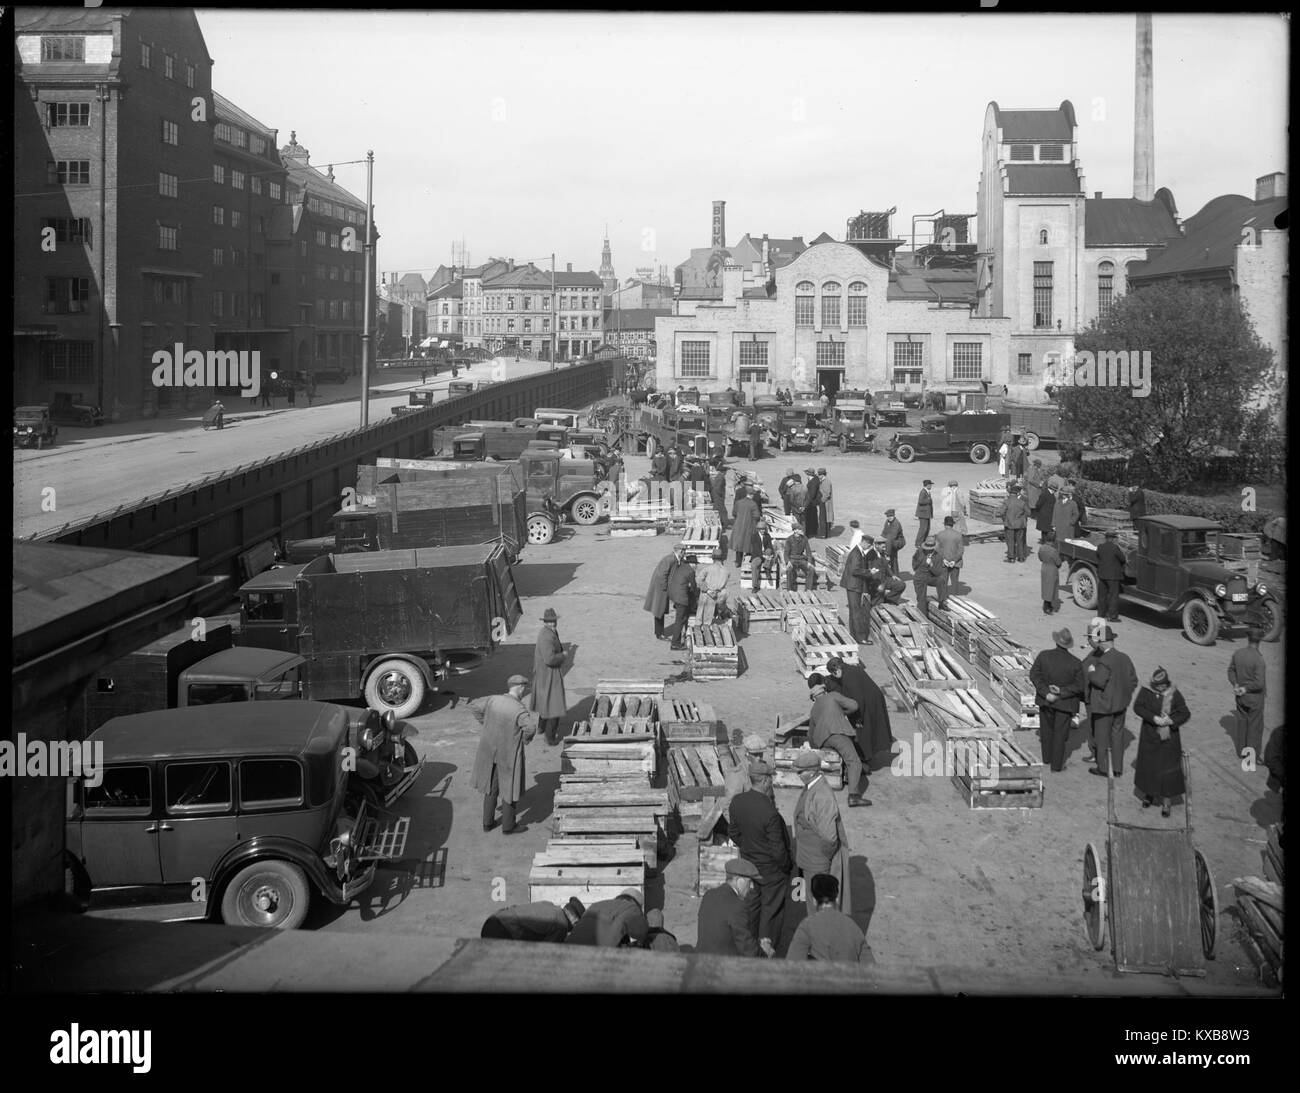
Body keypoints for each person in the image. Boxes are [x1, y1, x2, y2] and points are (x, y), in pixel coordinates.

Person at [728, 761, 793, 957]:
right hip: (771, 871)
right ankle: (767, 951)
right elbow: (778, 850)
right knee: (771, 911)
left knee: (752, 907)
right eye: (770, 779)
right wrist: (786, 867)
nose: (771, 782)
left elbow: (733, 833)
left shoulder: (737, 802)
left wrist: (748, 848)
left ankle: (749, 946)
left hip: (749, 866)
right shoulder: (770, 812)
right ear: (764, 781)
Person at [471, 674, 537, 834]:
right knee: (509, 788)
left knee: (490, 787)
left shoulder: (493, 700)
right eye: (524, 688)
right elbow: (530, 728)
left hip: (489, 751)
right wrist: (524, 740)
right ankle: (508, 826)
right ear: (520, 688)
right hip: (508, 754)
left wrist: (486, 724)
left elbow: (474, 707)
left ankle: (487, 823)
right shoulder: (518, 709)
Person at [791, 750, 852, 916]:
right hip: (810, 858)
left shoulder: (823, 795)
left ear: (812, 772)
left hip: (817, 861)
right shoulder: (811, 787)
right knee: (812, 901)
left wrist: (823, 858)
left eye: (801, 772)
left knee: (817, 906)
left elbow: (830, 838)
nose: (798, 775)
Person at [793, 673, 868, 807]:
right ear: (823, 687)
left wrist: (816, 746)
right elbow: (854, 705)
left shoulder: (814, 709)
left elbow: (810, 734)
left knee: (843, 754)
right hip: (837, 733)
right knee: (854, 761)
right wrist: (841, 713)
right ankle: (854, 796)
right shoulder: (833, 696)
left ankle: (851, 774)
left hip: (822, 741)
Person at [824, 655, 894, 777]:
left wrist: (858, 718)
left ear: (837, 670)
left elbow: (858, 700)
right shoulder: (852, 669)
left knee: (863, 731)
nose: (835, 677)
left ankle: (865, 757)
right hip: (873, 698)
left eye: (834, 674)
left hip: (868, 702)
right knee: (871, 727)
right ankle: (870, 752)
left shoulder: (848, 679)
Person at [1084, 624, 1140, 777]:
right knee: (1117, 737)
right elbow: (1133, 681)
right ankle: (1117, 768)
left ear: (1103, 642)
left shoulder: (1105, 660)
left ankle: (1103, 768)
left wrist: (1091, 672)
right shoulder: (1124, 658)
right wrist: (1124, 696)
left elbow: (1099, 681)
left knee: (1101, 738)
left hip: (1104, 707)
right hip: (1120, 706)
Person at [1133, 667, 1189, 817]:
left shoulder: (1174, 693)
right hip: (1150, 736)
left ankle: (1166, 802)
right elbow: (1138, 707)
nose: (1161, 688)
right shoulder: (1146, 691)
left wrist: (1171, 720)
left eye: (1163, 686)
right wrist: (1153, 718)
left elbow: (1185, 713)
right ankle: (1149, 794)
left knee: (1167, 772)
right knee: (1150, 768)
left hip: (1169, 740)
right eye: (1158, 686)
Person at [1030, 628, 1086, 773]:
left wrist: (1046, 693)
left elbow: (1034, 675)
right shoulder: (1076, 663)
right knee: (1060, 735)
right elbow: (1079, 686)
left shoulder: (1044, 656)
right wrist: (1061, 691)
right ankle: (1056, 766)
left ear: (1056, 642)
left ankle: (1046, 758)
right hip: (1065, 704)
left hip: (1045, 701)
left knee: (1046, 731)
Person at [785, 873, 873, 964]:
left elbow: (792, 964)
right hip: (848, 972)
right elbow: (871, 966)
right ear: (837, 899)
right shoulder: (853, 926)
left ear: (814, 900)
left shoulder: (807, 926)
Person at [696, 857, 762, 957]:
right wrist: (764, 950)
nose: (752, 887)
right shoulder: (738, 906)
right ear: (739, 880)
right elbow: (748, 950)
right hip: (723, 963)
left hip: (701, 958)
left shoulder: (709, 895)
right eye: (749, 882)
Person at [1228, 628, 1267, 760]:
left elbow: (1231, 671)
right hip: (1255, 698)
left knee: (1242, 724)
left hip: (1240, 697)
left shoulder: (1238, 653)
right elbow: (1259, 684)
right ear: (1260, 640)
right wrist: (1246, 688)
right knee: (1254, 727)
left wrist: (1235, 684)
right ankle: (1251, 756)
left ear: (1248, 639)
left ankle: (1241, 752)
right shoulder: (1259, 660)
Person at [566, 888, 650, 947]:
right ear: (636, 903)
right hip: (598, 955)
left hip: (568, 948)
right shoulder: (631, 908)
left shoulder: (595, 905)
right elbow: (640, 933)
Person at [532, 607, 568, 746]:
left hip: (545, 674)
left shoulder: (550, 632)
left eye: (554, 621)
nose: (553, 623)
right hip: (549, 674)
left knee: (544, 702)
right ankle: (550, 737)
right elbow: (549, 659)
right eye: (550, 621)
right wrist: (562, 656)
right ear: (545, 622)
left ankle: (541, 727)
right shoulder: (546, 637)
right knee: (555, 707)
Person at [481, 897, 585, 942]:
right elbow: (545, 952)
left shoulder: (549, 904)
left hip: (494, 919)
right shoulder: (561, 925)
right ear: (575, 921)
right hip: (502, 931)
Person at [838, 520, 872, 644]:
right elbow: (855, 570)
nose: (869, 548)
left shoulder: (858, 552)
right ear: (864, 543)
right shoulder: (857, 554)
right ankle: (860, 638)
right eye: (869, 545)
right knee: (856, 611)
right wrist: (869, 572)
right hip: (853, 585)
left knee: (854, 611)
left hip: (852, 585)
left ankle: (854, 634)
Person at [644, 545, 683, 639]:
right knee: (659, 610)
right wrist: (666, 588)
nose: (684, 553)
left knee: (660, 610)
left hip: (662, 587)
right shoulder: (670, 559)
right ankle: (659, 633)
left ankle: (659, 632)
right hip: (661, 588)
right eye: (683, 551)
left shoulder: (673, 558)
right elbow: (662, 574)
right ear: (679, 551)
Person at [911, 535, 948, 617]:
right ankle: (922, 616)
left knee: (941, 580)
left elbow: (938, 573)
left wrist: (931, 565)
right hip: (919, 577)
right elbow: (914, 564)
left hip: (930, 577)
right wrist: (922, 563)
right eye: (927, 548)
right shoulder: (919, 552)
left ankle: (942, 602)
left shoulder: (938, 556)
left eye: (930, 548)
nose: (928, 550)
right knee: (921, 599)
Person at [666, 554, 698, 650]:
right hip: (681, 598)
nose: (696, 566)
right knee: (680, 620)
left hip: (673, 595)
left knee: (680, 618)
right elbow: (694, 588)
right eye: (695, 564)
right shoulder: (691, 571)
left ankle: (678, 640)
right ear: (692, 564)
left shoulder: (681, 567)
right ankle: (675, 643)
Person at [1096, 529, 1126, 622]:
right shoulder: (1115, 548)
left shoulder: (1100, 547)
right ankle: (1112, 616)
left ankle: (1101, 615)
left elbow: (1098, 557)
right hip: (1113, 576)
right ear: (1113, 539)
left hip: (1102, 575)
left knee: (1102, 596)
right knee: (1113, 596)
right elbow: (1122, 559)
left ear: (1106, 538)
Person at [697, 548, 732, 625]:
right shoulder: (726, 571)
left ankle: (700, 627)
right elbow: (727, 587)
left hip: (707, 595)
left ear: (713, 558)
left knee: (702, 616)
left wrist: (707, 590)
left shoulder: (707, 569)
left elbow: (699, 580)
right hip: (719, 596)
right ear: (722, 558)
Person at [748, 515, 778, 592]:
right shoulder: (754, 536)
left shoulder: (767, 536)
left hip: (766, 554)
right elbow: (755, 549)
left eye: (764, 529)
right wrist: (763, 556)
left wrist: (769, 555)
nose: (762, 531)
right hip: (758, 555)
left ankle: (767, 568)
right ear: (758, 529)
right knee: (754, 565)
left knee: (769, 550)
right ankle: (755, 586)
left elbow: (770, 546)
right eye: (761, 529)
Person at [731, 487, 759, 568]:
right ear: (752, 495)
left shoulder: (738, 502)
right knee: (749, 544)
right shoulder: (753, 504)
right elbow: (756, 516)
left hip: (738, 525)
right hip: (749, 526)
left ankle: (738, 562)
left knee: (739, 544)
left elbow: (734, 513)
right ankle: (748, 561)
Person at [784, 526, 819, 591]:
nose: (801, 530)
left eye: (801, 529)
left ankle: (808, 589)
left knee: (811, 569)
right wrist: (787, 562)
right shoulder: (789, 539)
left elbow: (808, 551)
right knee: (789, 570)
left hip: (801, 559)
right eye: (799, 529)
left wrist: (809, 562)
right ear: (795, 530)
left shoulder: (804, 538)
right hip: (792, 559)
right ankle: (789, 590)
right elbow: (786, 553)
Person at [936, 516, 964, 593]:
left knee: (943, 582)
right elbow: (961, 550)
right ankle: (955, 597)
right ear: (952, 524)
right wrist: (954, 561)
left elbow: (937, 549)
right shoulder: (958, 535)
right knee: (954, 581)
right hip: (956, 563)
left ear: (945, 524)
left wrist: (944, 559)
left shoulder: (940, 534)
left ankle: (943, 597)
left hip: (943, 562)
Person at [1039, 529, 1063, 614]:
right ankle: (1047, 607)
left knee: (1046, 588)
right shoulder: (1053, 550)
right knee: (1052, 589)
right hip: (1052, 570)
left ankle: (1047, 605)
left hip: (1044, 568)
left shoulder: (1042, 548)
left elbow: (1040, 558)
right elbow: (1058, 562)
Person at [1003, 482, 1029, 563]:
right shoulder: (1022, 502)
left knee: (1010, 541)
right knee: (1020, 541)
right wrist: (1022, 517)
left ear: (1010, 493)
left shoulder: (1007, 502)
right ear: (1017, 493)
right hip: (1020, 524)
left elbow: (1001, 512)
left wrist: (1005, 518)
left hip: (1009, 524)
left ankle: (1011, 557)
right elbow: (1028, 513)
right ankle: (1021, 557)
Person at [880, 508, 905, 575]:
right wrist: (880, 539)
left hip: (898, 541)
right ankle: (892, 574)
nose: (889, 517)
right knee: (893, 557)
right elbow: (884, 533)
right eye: (888, 516)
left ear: (894, 515)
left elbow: (892, 537)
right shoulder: (887, 522)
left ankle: (895, 574)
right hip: (890, 541)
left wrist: (887, 553)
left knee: (892, 556)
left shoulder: (896, 524)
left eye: (891, 516)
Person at [802, 466, 822, 539]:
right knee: (813, 516)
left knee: (810, 517)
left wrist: (806, 501)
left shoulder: (813, 481)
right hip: (813, 501)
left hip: (811, 502)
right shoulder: (814, 479)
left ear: (809, 474)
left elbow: (812, 494)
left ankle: (811, 532)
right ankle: (813, 531)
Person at [915, 479, 934, 546]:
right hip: (923, 514)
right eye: (930, 485)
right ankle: (918, 543)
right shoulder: (923, 492)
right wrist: (928, 500)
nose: (931, 486)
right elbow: (921, 501)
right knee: (923, 529)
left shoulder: (927, 492)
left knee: (927, 528)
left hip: (926, 514)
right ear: (927, 485)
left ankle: (923, 542)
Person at [708, 463, 728, 528]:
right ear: (724, 471)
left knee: (716, 509)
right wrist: (721, 494)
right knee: (723, 510)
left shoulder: (718, 476)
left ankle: (717, 522)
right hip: (719, 496)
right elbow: (718, 488)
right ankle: (725, 523)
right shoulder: (721, 477)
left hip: (716, 495)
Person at [816, 468, 833, 539]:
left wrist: (822, 500)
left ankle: (823, 534)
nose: (818, 476)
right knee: (824, 518)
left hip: (825, 503)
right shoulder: (824, 480)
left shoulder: (826, 481)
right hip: (825, 502)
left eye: (819, 475)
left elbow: (827, 493)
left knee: (823, 518)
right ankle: (825, 533)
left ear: (822, 475)